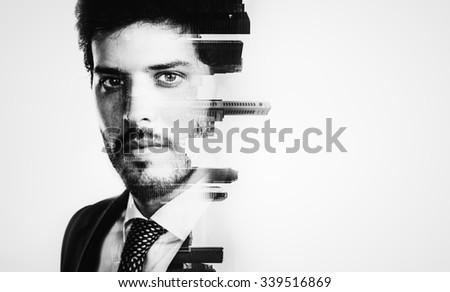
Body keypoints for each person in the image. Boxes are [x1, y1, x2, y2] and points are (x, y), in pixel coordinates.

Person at [61, 0, 240, 272]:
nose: (133, 114)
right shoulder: (83, 228)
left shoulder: (262, 245)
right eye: (112, 81)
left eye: (168, 77)